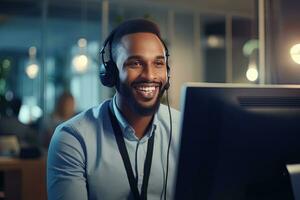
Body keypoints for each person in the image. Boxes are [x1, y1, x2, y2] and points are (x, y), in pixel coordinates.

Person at [47, 19, 181, 200]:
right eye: (135, 63)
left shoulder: (185, 129)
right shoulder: (72, 138)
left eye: (158, 63)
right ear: (111, 74)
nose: (150, 75)